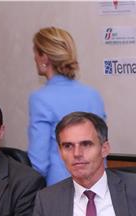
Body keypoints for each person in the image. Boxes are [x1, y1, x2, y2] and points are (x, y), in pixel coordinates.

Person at [29, 26, 106, 185]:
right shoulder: (93, 95)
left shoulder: (40, 99)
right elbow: (101, 150)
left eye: (35, 53)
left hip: (60, 187)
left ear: (44, 58)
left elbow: (39, 162)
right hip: (97, 184)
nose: (34, 58)